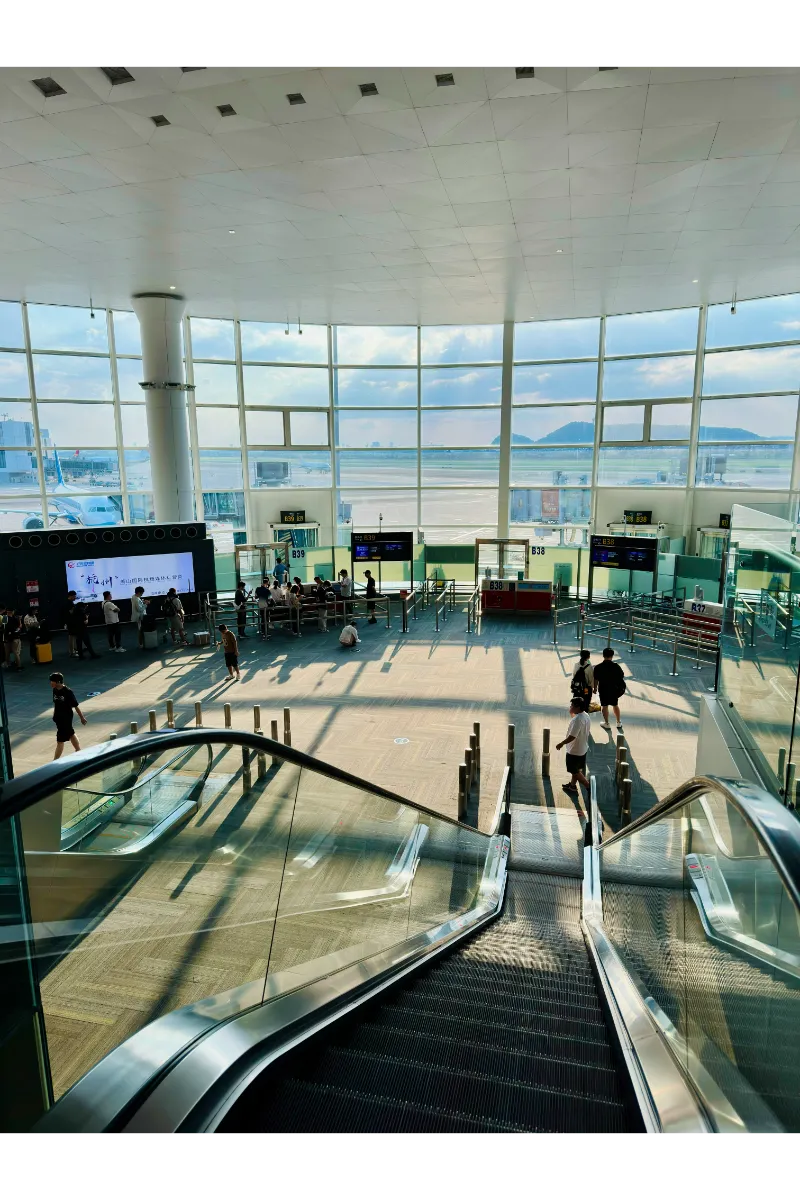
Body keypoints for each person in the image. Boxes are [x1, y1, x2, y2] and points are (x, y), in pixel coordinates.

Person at [556, 697, 591, 796]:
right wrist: (572, 713)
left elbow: (572, 736)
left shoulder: (578, 720)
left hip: (574, 750)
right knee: (576, 769)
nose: (570, 707)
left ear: (578, 707)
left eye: (572, 705)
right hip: (582, 748)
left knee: (574, 771)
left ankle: (587, 785)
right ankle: (572, 786)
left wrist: (561, 743)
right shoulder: (585, 715)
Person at [50, 671, 87, 759]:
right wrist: (54, 715)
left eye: (52, 681)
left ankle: (55, 760)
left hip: (66, 717)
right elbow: (56, 703)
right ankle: (78, 750)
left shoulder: (68, 692)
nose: (51, 683)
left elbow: (75, 706)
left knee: (60, 740)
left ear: (58, 681)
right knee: (70, 733)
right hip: (58, 717)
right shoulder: (55, 690)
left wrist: (82, 718)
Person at [593, 646, 627, 731]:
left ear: (603, 655)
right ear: (612, 656)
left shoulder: (598, 667)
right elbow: (621, 676)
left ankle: (607, 723)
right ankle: (618, 722)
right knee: (615, 705)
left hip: (603, 689)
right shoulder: (616, 666)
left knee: (604, 706)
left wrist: (595, 688)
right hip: (614, 689)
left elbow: (596, 679)